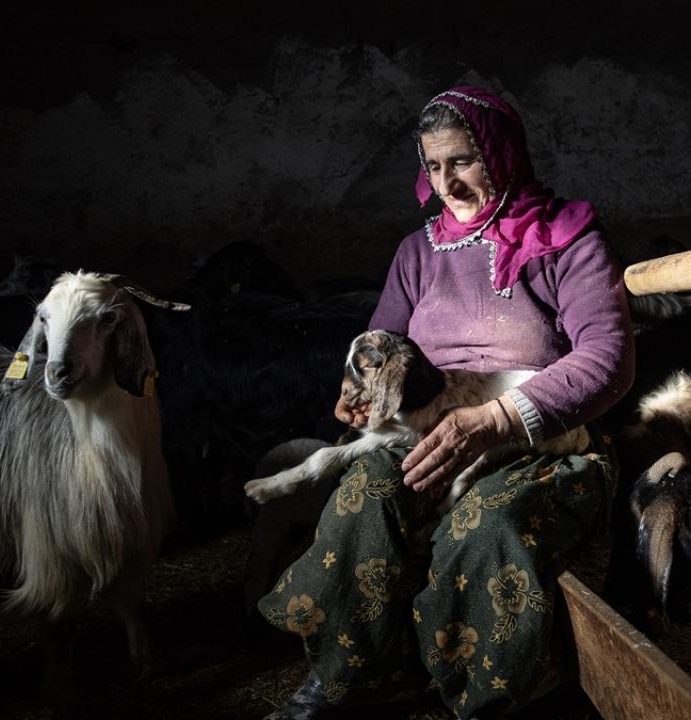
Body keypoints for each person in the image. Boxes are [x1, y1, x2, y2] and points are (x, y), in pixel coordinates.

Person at [258, 86, 634, 720]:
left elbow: (607, 360)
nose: (445, 184)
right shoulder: (417, 253)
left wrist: (496, 419)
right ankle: (349, 679)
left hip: (533, 435)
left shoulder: (568, 240)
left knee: (486, 527)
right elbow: (377, 343)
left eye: (461, 161)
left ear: (502, 153)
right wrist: (360, 396)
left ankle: (480, 699)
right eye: (432, 167)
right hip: (426, 429)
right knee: (362, 502)